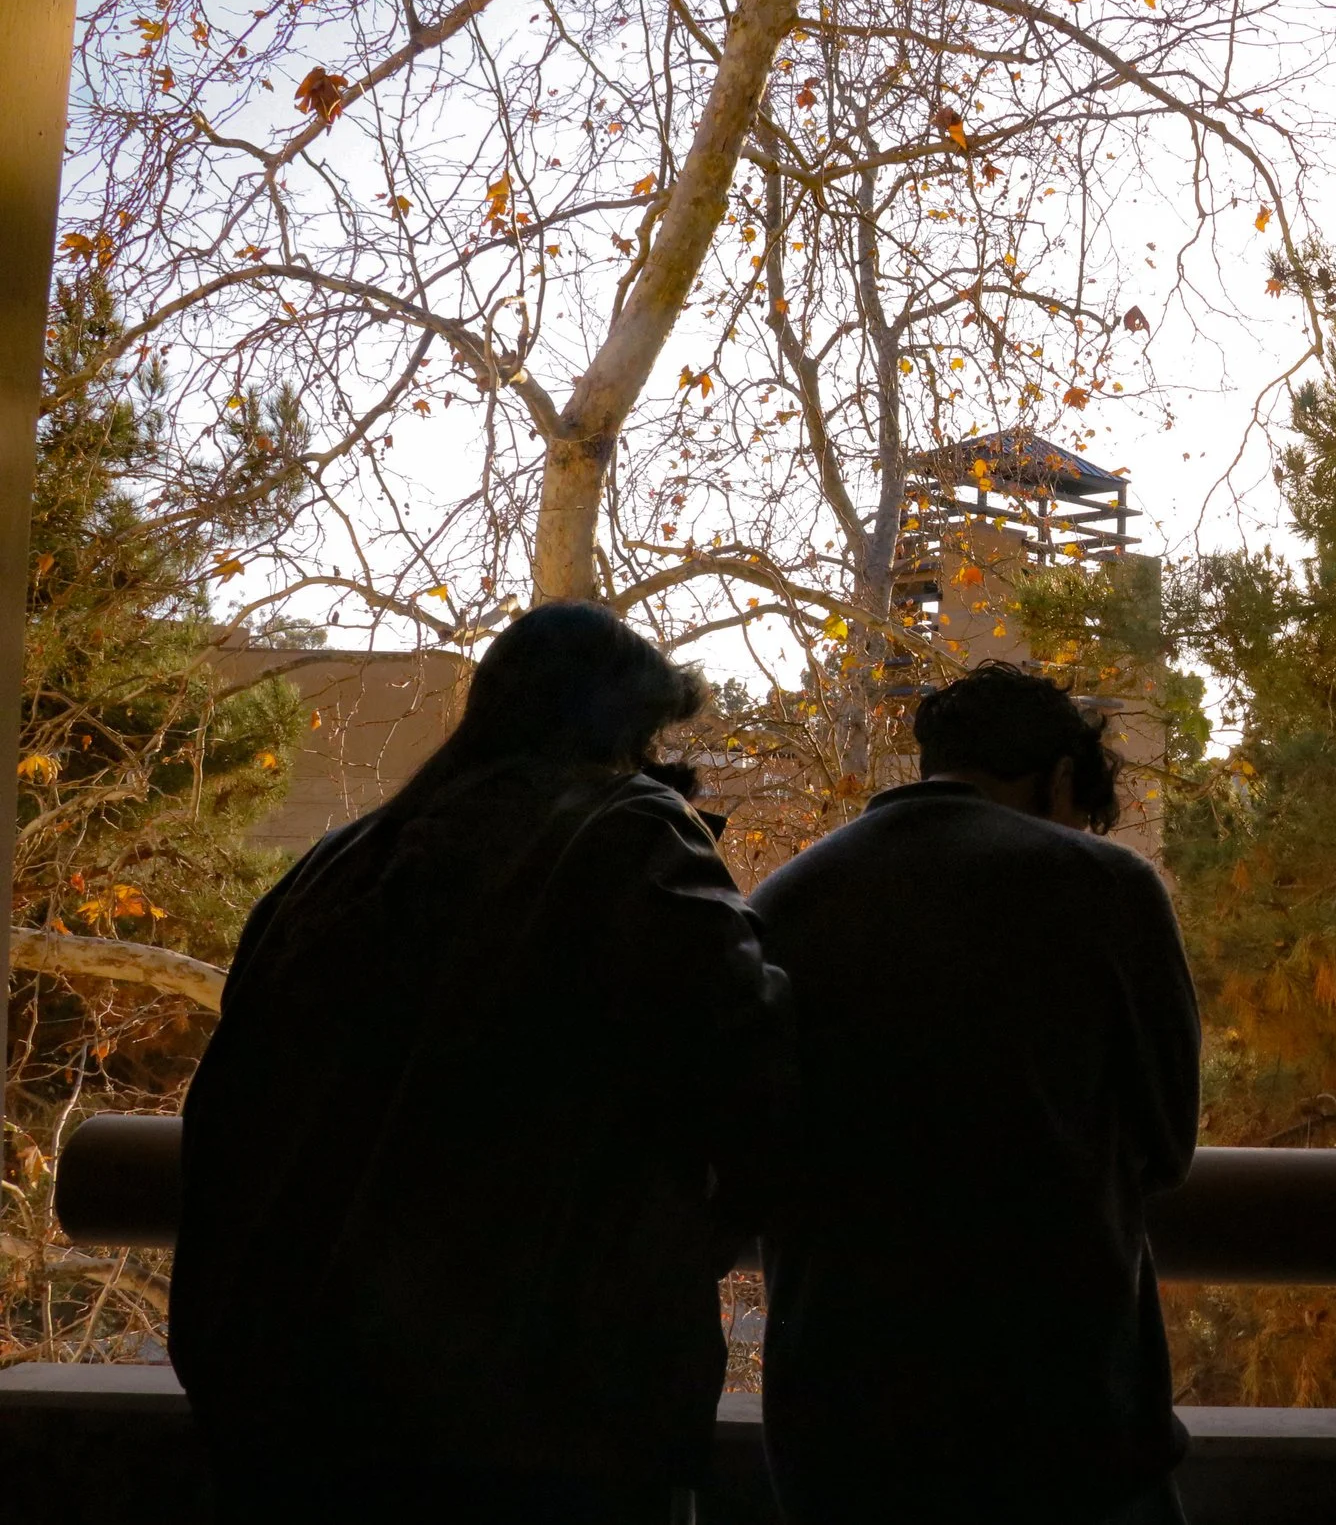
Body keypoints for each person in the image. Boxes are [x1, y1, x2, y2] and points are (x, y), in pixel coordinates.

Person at [171, 602, 792, 1525]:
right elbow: (750, 1055)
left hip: (290, 1380)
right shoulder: (629, 832)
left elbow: (236, 1099)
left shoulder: (338, 862)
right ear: (624, 727)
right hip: (533, 1398)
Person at [755, 662, 1201, 1525]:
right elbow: (1168, 1142)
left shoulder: (785, 900)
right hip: (1059, 1412)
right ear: (1061, 778)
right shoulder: (1105, 887)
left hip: (837, 1413)